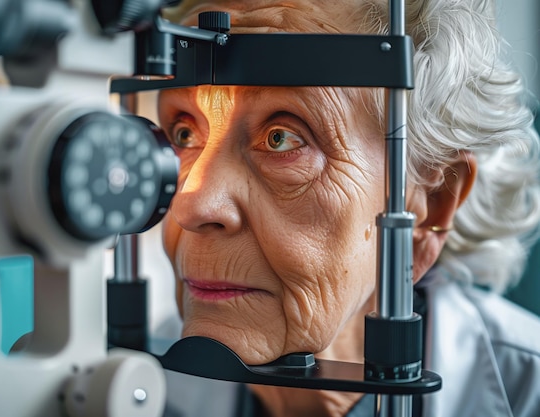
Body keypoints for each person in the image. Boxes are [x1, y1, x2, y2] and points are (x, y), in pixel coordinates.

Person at [155, 0, 540, 416]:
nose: (190, 203)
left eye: (281, 137)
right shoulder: (132, 380)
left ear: (427, 204)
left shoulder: (528, 392)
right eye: (184, 133)